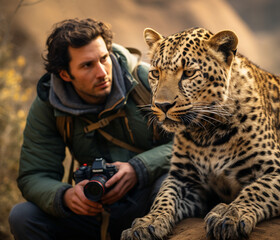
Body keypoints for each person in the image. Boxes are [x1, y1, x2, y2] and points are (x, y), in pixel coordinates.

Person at [9, 18, 172, 240]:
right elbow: (35, 174)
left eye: (104, 58)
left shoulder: (147, 82)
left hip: (149, 201)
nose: (102, 73)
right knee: (23, 216)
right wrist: (65, 197)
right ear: (65, 74)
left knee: (170, 186)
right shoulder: (49, 104)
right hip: (93, 209)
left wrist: (139, 168)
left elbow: (190, 143)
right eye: (87, 65)